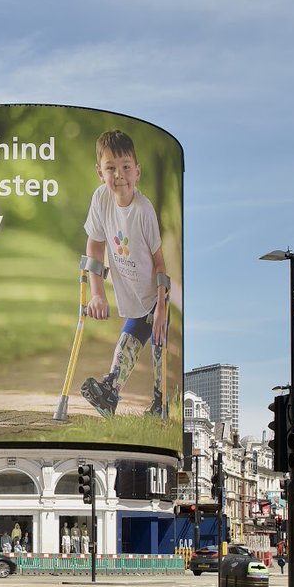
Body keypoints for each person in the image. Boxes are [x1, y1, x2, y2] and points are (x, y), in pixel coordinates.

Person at [78, 129, 170, 419]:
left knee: (158, 353)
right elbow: (94, 246)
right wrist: (96, 294)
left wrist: (161, 308)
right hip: (132, 298)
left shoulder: (144, 211)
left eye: (126, 167)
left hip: (154, 298)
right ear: (99, 172)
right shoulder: (101, 199)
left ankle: (160, 403)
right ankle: (110, 394)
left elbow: (159, 264)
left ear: (137, 171)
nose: (119, 175)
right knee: (124, 350)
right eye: (111, 168)